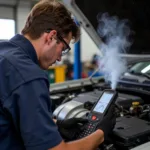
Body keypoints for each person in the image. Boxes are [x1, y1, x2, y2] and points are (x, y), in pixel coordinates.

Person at [0, 0, 116, 150]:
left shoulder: (4, 52)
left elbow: (12, 115)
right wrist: (100, 133)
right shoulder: (29, 76)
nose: (60, 57)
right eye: (64, 48)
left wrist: (55, 124)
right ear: (51, 37)